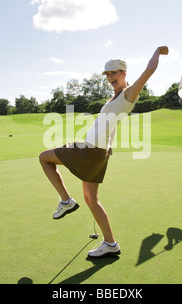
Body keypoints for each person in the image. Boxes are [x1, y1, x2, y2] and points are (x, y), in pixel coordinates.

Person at [39, 46, 169, 258]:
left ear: (124, 73)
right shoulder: (114, 99)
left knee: (45, 158)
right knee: (91, 199)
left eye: (114, 72)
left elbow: (148, 71)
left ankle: (66, 201)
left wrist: (157, 51)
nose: (110, 77)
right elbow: (111, 126)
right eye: (107, 74)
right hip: (98, 151)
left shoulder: (128, 93)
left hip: (91, 150)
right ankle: (110, 243)